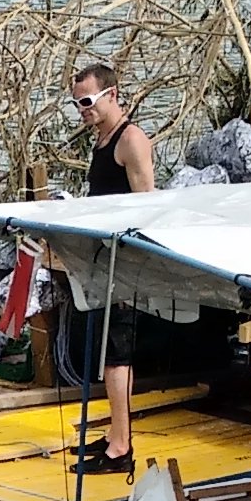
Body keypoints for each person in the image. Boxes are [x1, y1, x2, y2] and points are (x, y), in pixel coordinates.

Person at [61, 61, 158, 475]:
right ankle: (116, 431)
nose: (82, 110)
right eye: (76, 104)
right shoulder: (101, 140)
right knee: (105, 354)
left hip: (126, 264)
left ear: (111, 94)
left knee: (118, 356)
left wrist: (133, 264)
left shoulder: (130, 139)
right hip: (104, 259)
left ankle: (122, 449)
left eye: (87, 101)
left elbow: (147, 207)